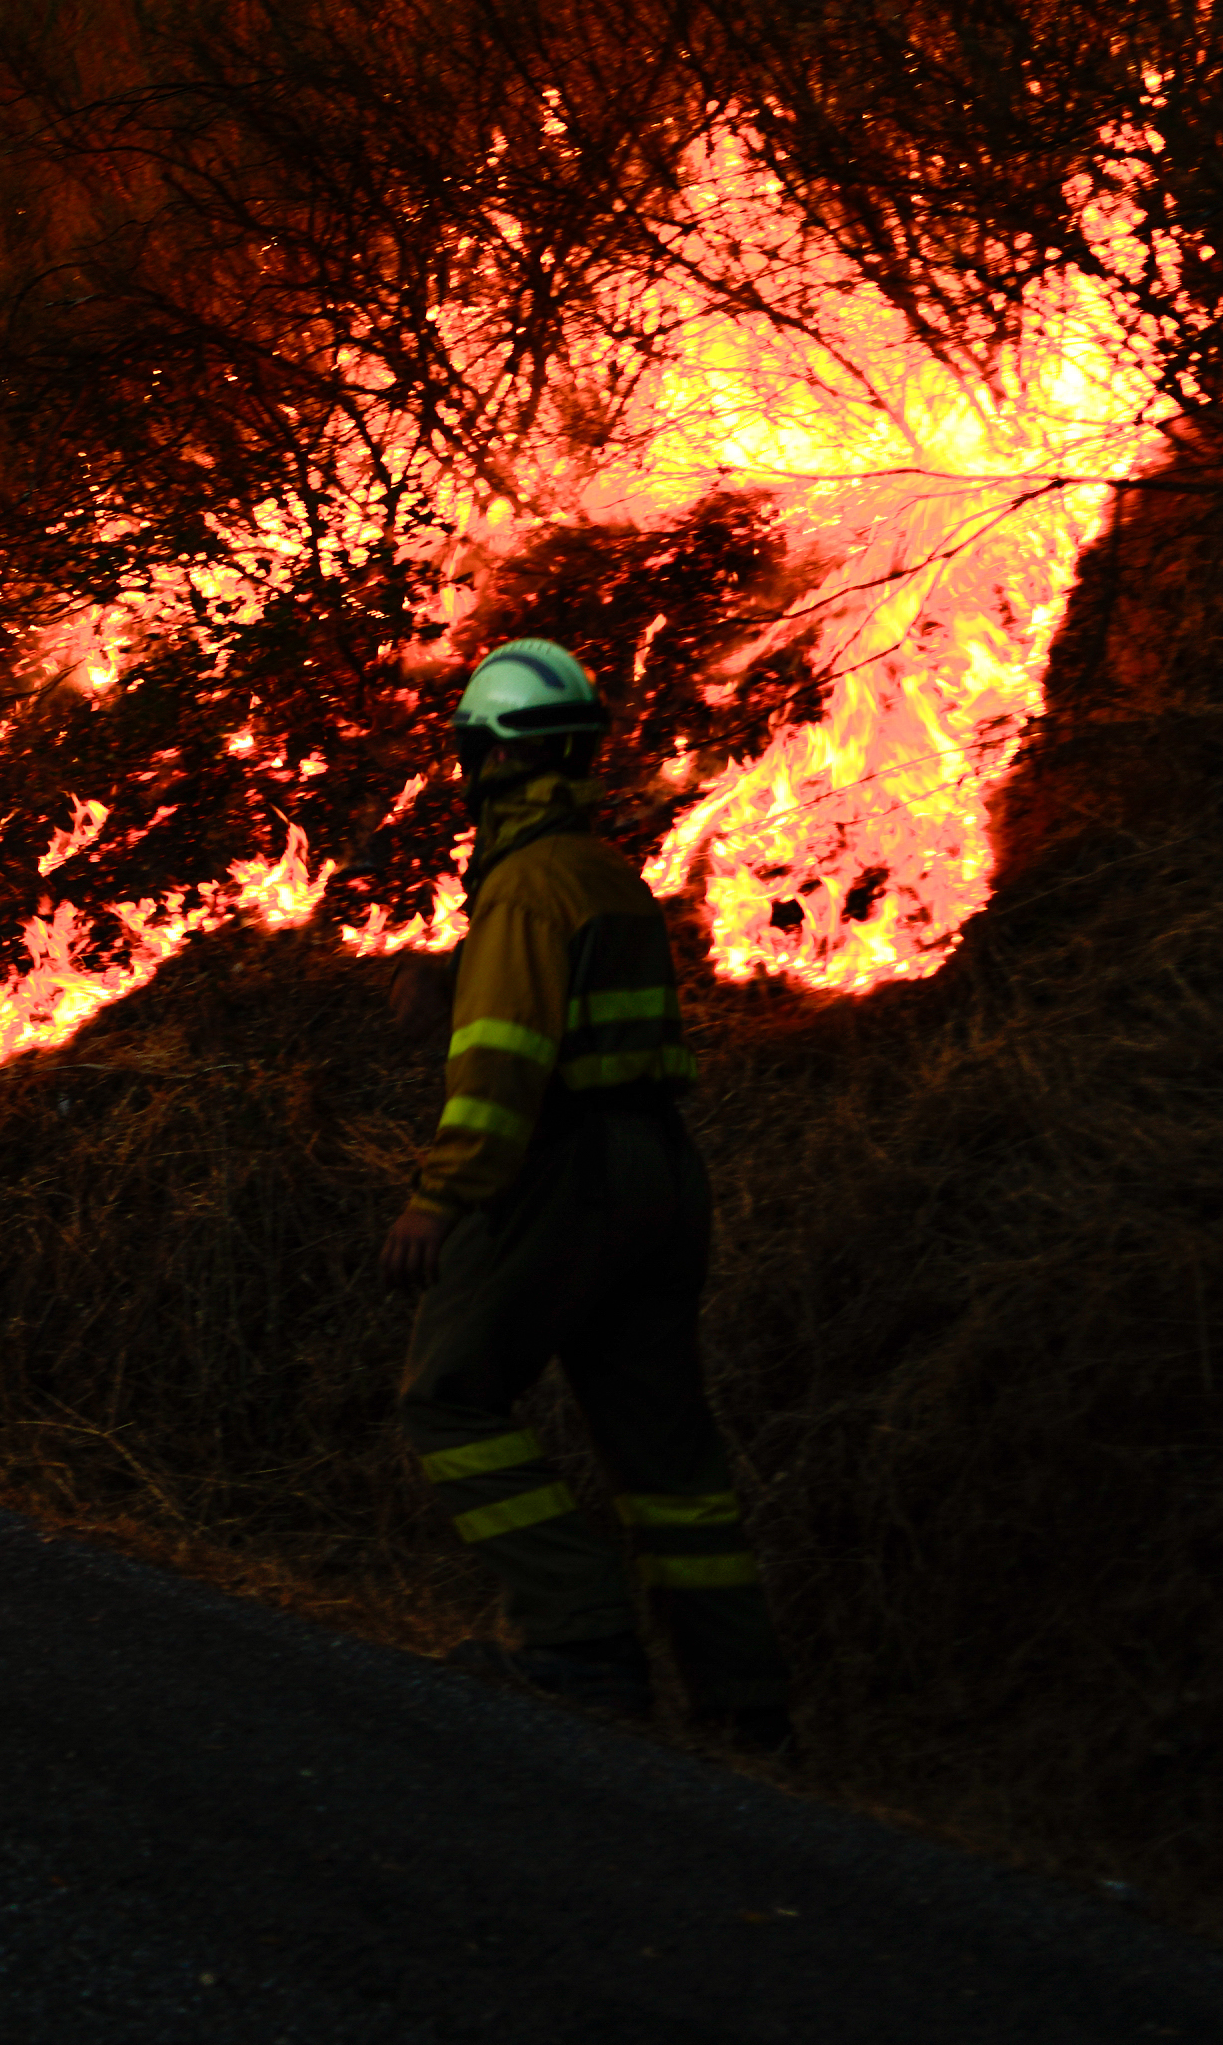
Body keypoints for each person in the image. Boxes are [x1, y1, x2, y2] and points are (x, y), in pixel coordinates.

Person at [384, 638, 795, 1754]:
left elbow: (508, 1062)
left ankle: (577, 1639)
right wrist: (453, 975)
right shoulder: (607, 874)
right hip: (661, 1172)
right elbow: (582, 1008)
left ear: (489, 757)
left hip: (561, 1174)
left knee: (449, 1395)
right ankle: (741, 1696)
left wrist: (439, 1198)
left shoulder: (522, 886)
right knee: (664, 1452)